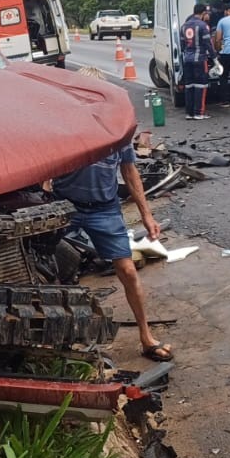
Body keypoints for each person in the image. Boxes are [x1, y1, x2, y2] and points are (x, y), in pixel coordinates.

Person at [51, 143, 172, 362]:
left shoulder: (117, 131)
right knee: (50, 268)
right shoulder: (69, 124)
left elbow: (129, 170)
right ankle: (54, 340)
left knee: (127, 270)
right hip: (66, 204)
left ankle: (146, 338)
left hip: (104, 209)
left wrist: (147, 215)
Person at [179, 3, 215, 120]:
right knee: (201, 86)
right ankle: (199, 113)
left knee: (189, 86)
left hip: (187, 59)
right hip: (200, 60)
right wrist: (214, 57)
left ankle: (189, 113)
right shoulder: (203, 25)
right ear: (203, 13)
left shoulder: (184, 26)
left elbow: (182, 44)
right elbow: (208, 44)